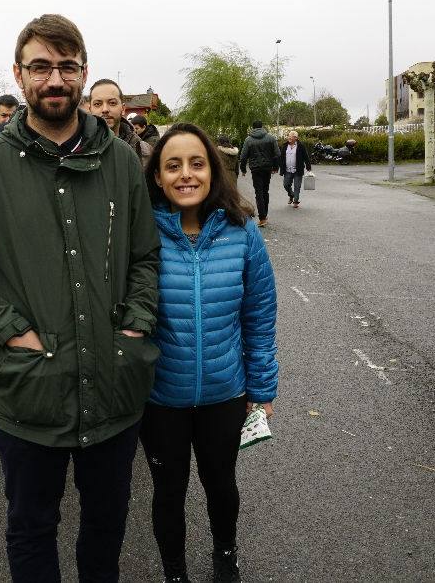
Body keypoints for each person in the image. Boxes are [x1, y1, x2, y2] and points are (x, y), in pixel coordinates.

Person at [0, 14, 160, 583]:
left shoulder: (122, 162)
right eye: (40, 68)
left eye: (66, 67)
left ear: (84, 73)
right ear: (19, 74)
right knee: (31, 528)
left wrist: (134, 323)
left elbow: (145, 257)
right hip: (30, 391)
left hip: (113, 387)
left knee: (105, 528)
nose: (53, 80)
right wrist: (9, 329)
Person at [142, 123, 278, 583]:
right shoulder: (140, 235)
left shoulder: (242, 234)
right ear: (157, 177)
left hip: (225, 393)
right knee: (168, 491)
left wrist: (262, 387)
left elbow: (259, 316)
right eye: (173, 165)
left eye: (196, 164)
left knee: (221, 484)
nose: (186, 175)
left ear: (213, 171)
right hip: (161, 398)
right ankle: (174, 572)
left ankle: (225, 556)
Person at [89, 78, 153, 169]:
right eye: (97, 104)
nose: (105, 109)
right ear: (90, 110)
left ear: (123, 109)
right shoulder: (77, 150)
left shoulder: (143, 151)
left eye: (112, 103)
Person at [238, 121, 279, 227]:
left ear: (253, 128)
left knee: (258, 192)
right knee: (265, 191)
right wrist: (275, 167)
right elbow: (277, 154)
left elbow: (243, 156)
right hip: (267, 167)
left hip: (256, 169)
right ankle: (265, 214)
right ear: (262, 127)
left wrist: (243, 169)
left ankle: (262, 217)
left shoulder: (248, 140)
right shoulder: (270, 138)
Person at [278, 130, 313, 208]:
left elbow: (306, 157)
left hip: (298, 170)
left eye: (291, 136)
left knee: (297, 186)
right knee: (286, 185)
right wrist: (278, 166)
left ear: (296, 138)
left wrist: (308, 167)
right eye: (289, 136)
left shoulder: (301, 146)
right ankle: (291, 195)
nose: (289, 137)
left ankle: (296, 201)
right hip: (287, 170)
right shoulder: (284, 146)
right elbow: (281, 157)